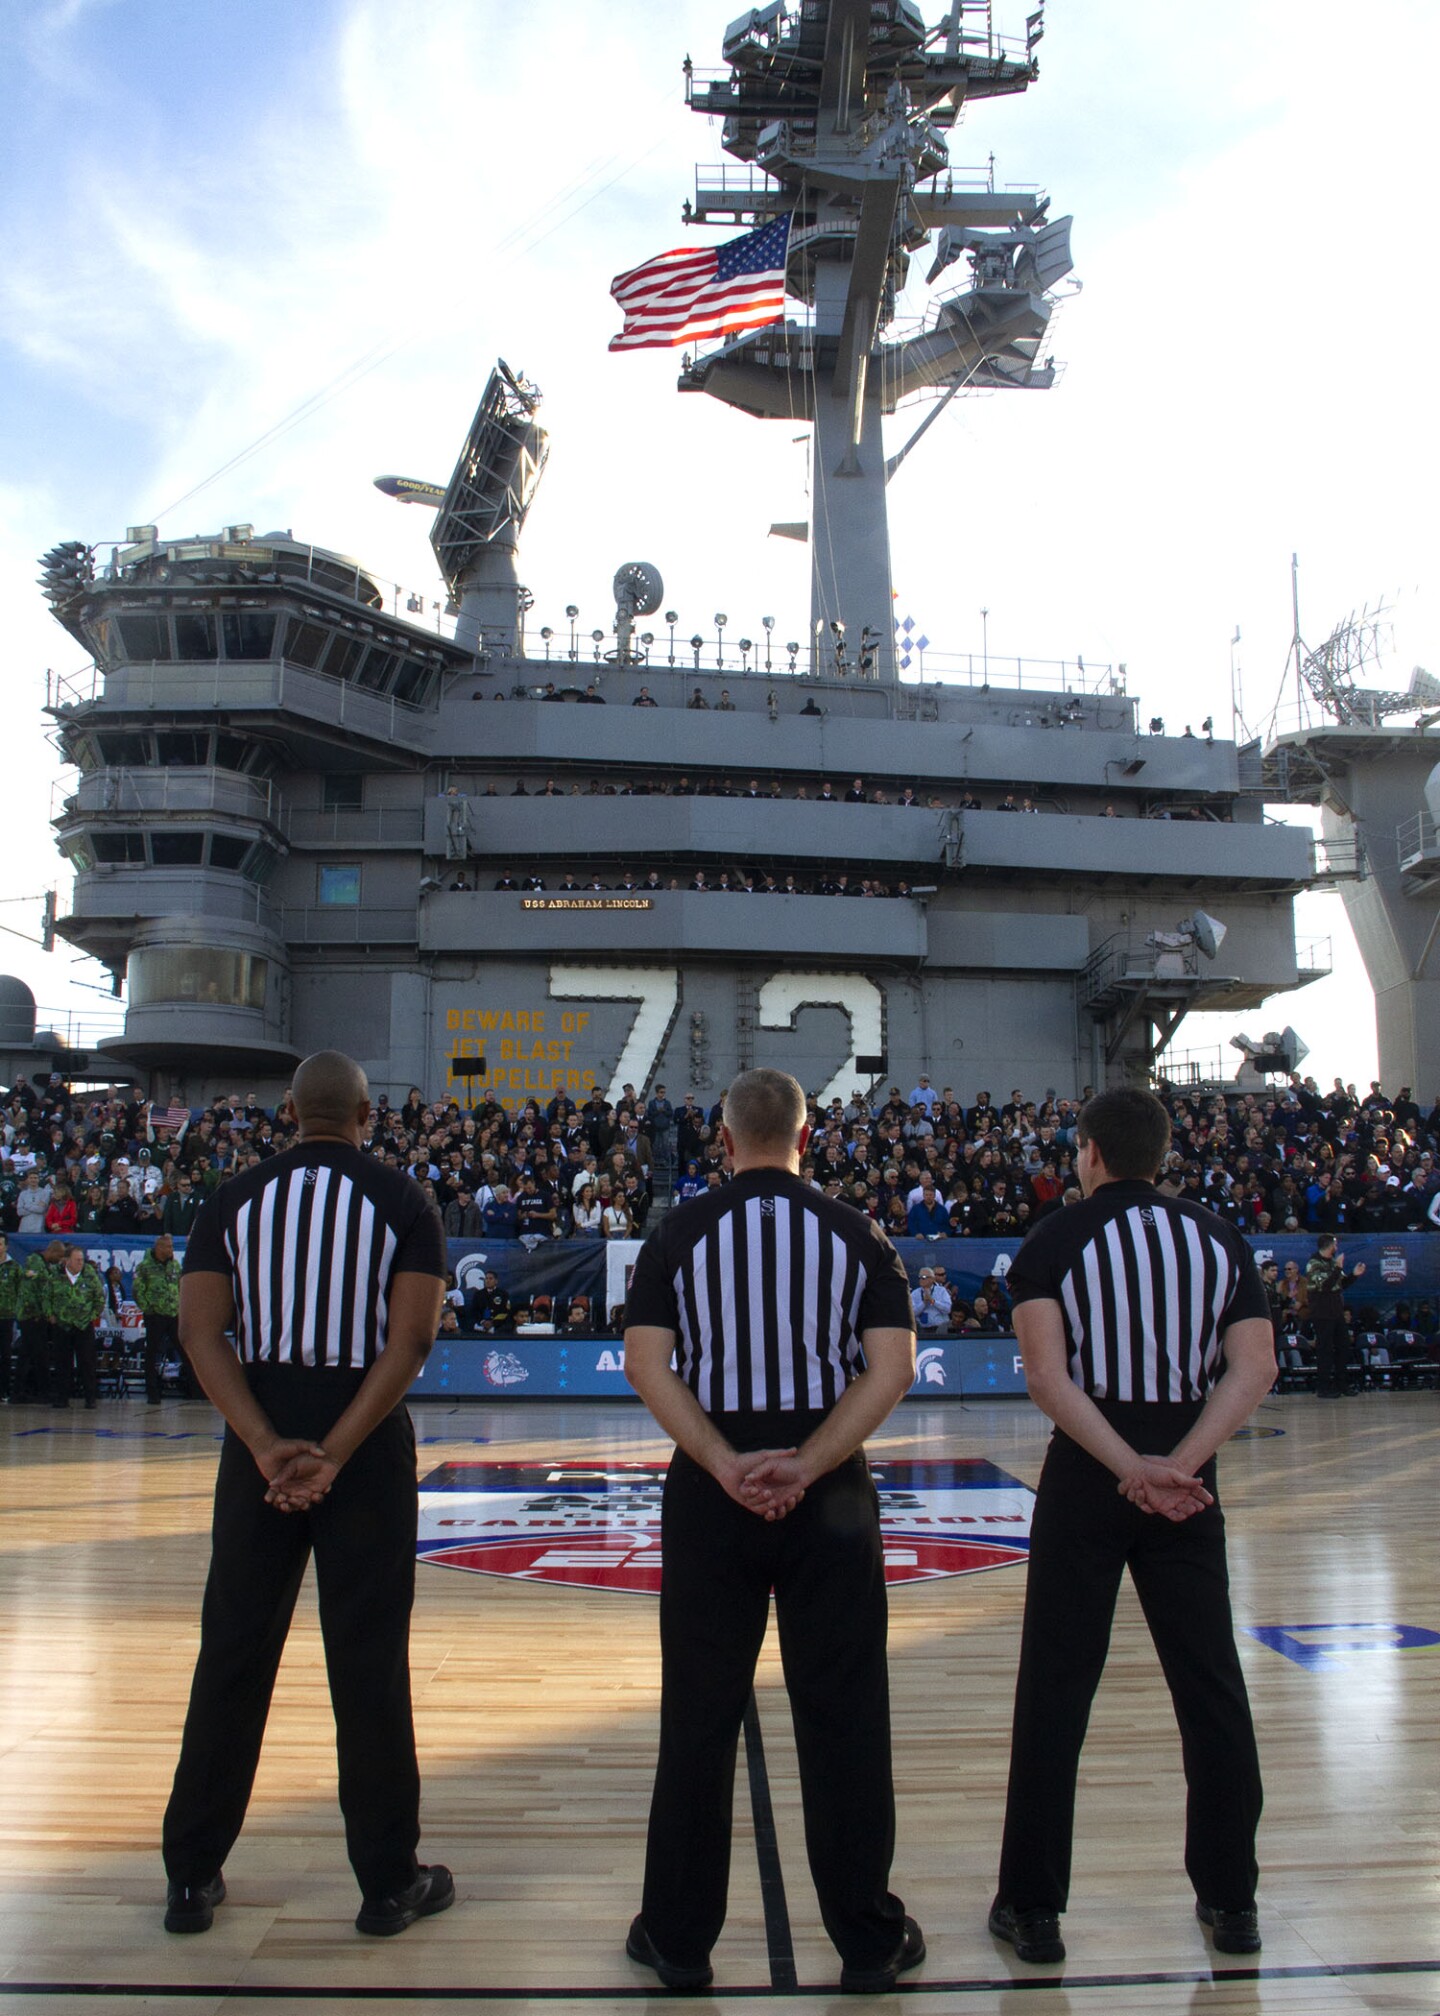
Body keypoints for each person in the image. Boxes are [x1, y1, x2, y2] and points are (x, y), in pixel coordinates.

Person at [622, 1067, 923, 1995]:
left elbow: (645, 1365)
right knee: (844, 1712)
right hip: (827, 1494)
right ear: (807, 1136)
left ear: (722, 1140)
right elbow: (893, 1369)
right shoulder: (858, 1232)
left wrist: (721, 1461)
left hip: (713, 1495)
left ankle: (678, 1940)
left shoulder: (676, 1232)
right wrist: (812, 1460)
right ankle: (867, 1940)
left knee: (700, 1715)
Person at [162, 1051, 452, 1940]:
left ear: (290, 1112)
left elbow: (200, 1331)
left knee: (234, 1653)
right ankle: (385, 1884)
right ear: (369, 1111)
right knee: (367, 1661)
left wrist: (261, 1442)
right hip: (358, 1440)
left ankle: (191, 1875)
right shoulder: (405, 1201)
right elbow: (407, 1346)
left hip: (261, 1436)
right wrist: (332, 1453)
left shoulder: (233, 1199)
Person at [990, 1086, 1275, 1966]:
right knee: (1212, 1690)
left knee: (1056, 1690)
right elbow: (1254, 1367)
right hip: (1187, 1479)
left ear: (1089, 1153)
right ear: (1163, 1155)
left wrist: (1127, 1468)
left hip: (1089, 1470)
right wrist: (1178, 1463)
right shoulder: (1220, 1239)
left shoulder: (1055, 1239)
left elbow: (1049, 1380)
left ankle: (1034, 1911)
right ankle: (1231, 1905)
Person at [1305, 1234, 1366, 1397]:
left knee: (1343, 1348)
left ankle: (1342, 1384)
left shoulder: (1332, 1263)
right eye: (1335, 1244)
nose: (1337, 1247)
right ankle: (1323, 1387)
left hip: (1336, 1312)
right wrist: (1338, 1268)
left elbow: (1340, 1284)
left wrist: (1354, 1275)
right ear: (1328, 1245)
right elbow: (1324, 1286)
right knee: (1325, 1350)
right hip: (1322, 1313)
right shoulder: (1314, 1263)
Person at [46, 1242, 104, 1408]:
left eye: (82, 1259)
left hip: (83, 1325)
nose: (80, 1262)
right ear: (67, 1261)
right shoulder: (55, 1276)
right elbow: (46, 1296)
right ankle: (62, 1397)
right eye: (77, 1259)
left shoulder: (90, 1275)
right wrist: (50, 1315)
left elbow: (99, 1297)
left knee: (87, 1362)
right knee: (62, 1363)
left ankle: (90, 1398)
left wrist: (92, 1315)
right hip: (62, 1325)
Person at [133, 1233, 183, 1404]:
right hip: (155, 1316)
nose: (171, 1250)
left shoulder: (175, 1266)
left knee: (184, 1349)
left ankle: (189, 1387)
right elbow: (137, 1290)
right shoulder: (145, 1267)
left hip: (173, 1314)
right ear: (159, 1248)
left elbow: (181, 1286)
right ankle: (152, 1391)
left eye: (172, 1246)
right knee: (153, 1353)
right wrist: (148, 1309)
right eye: (168, 1246)